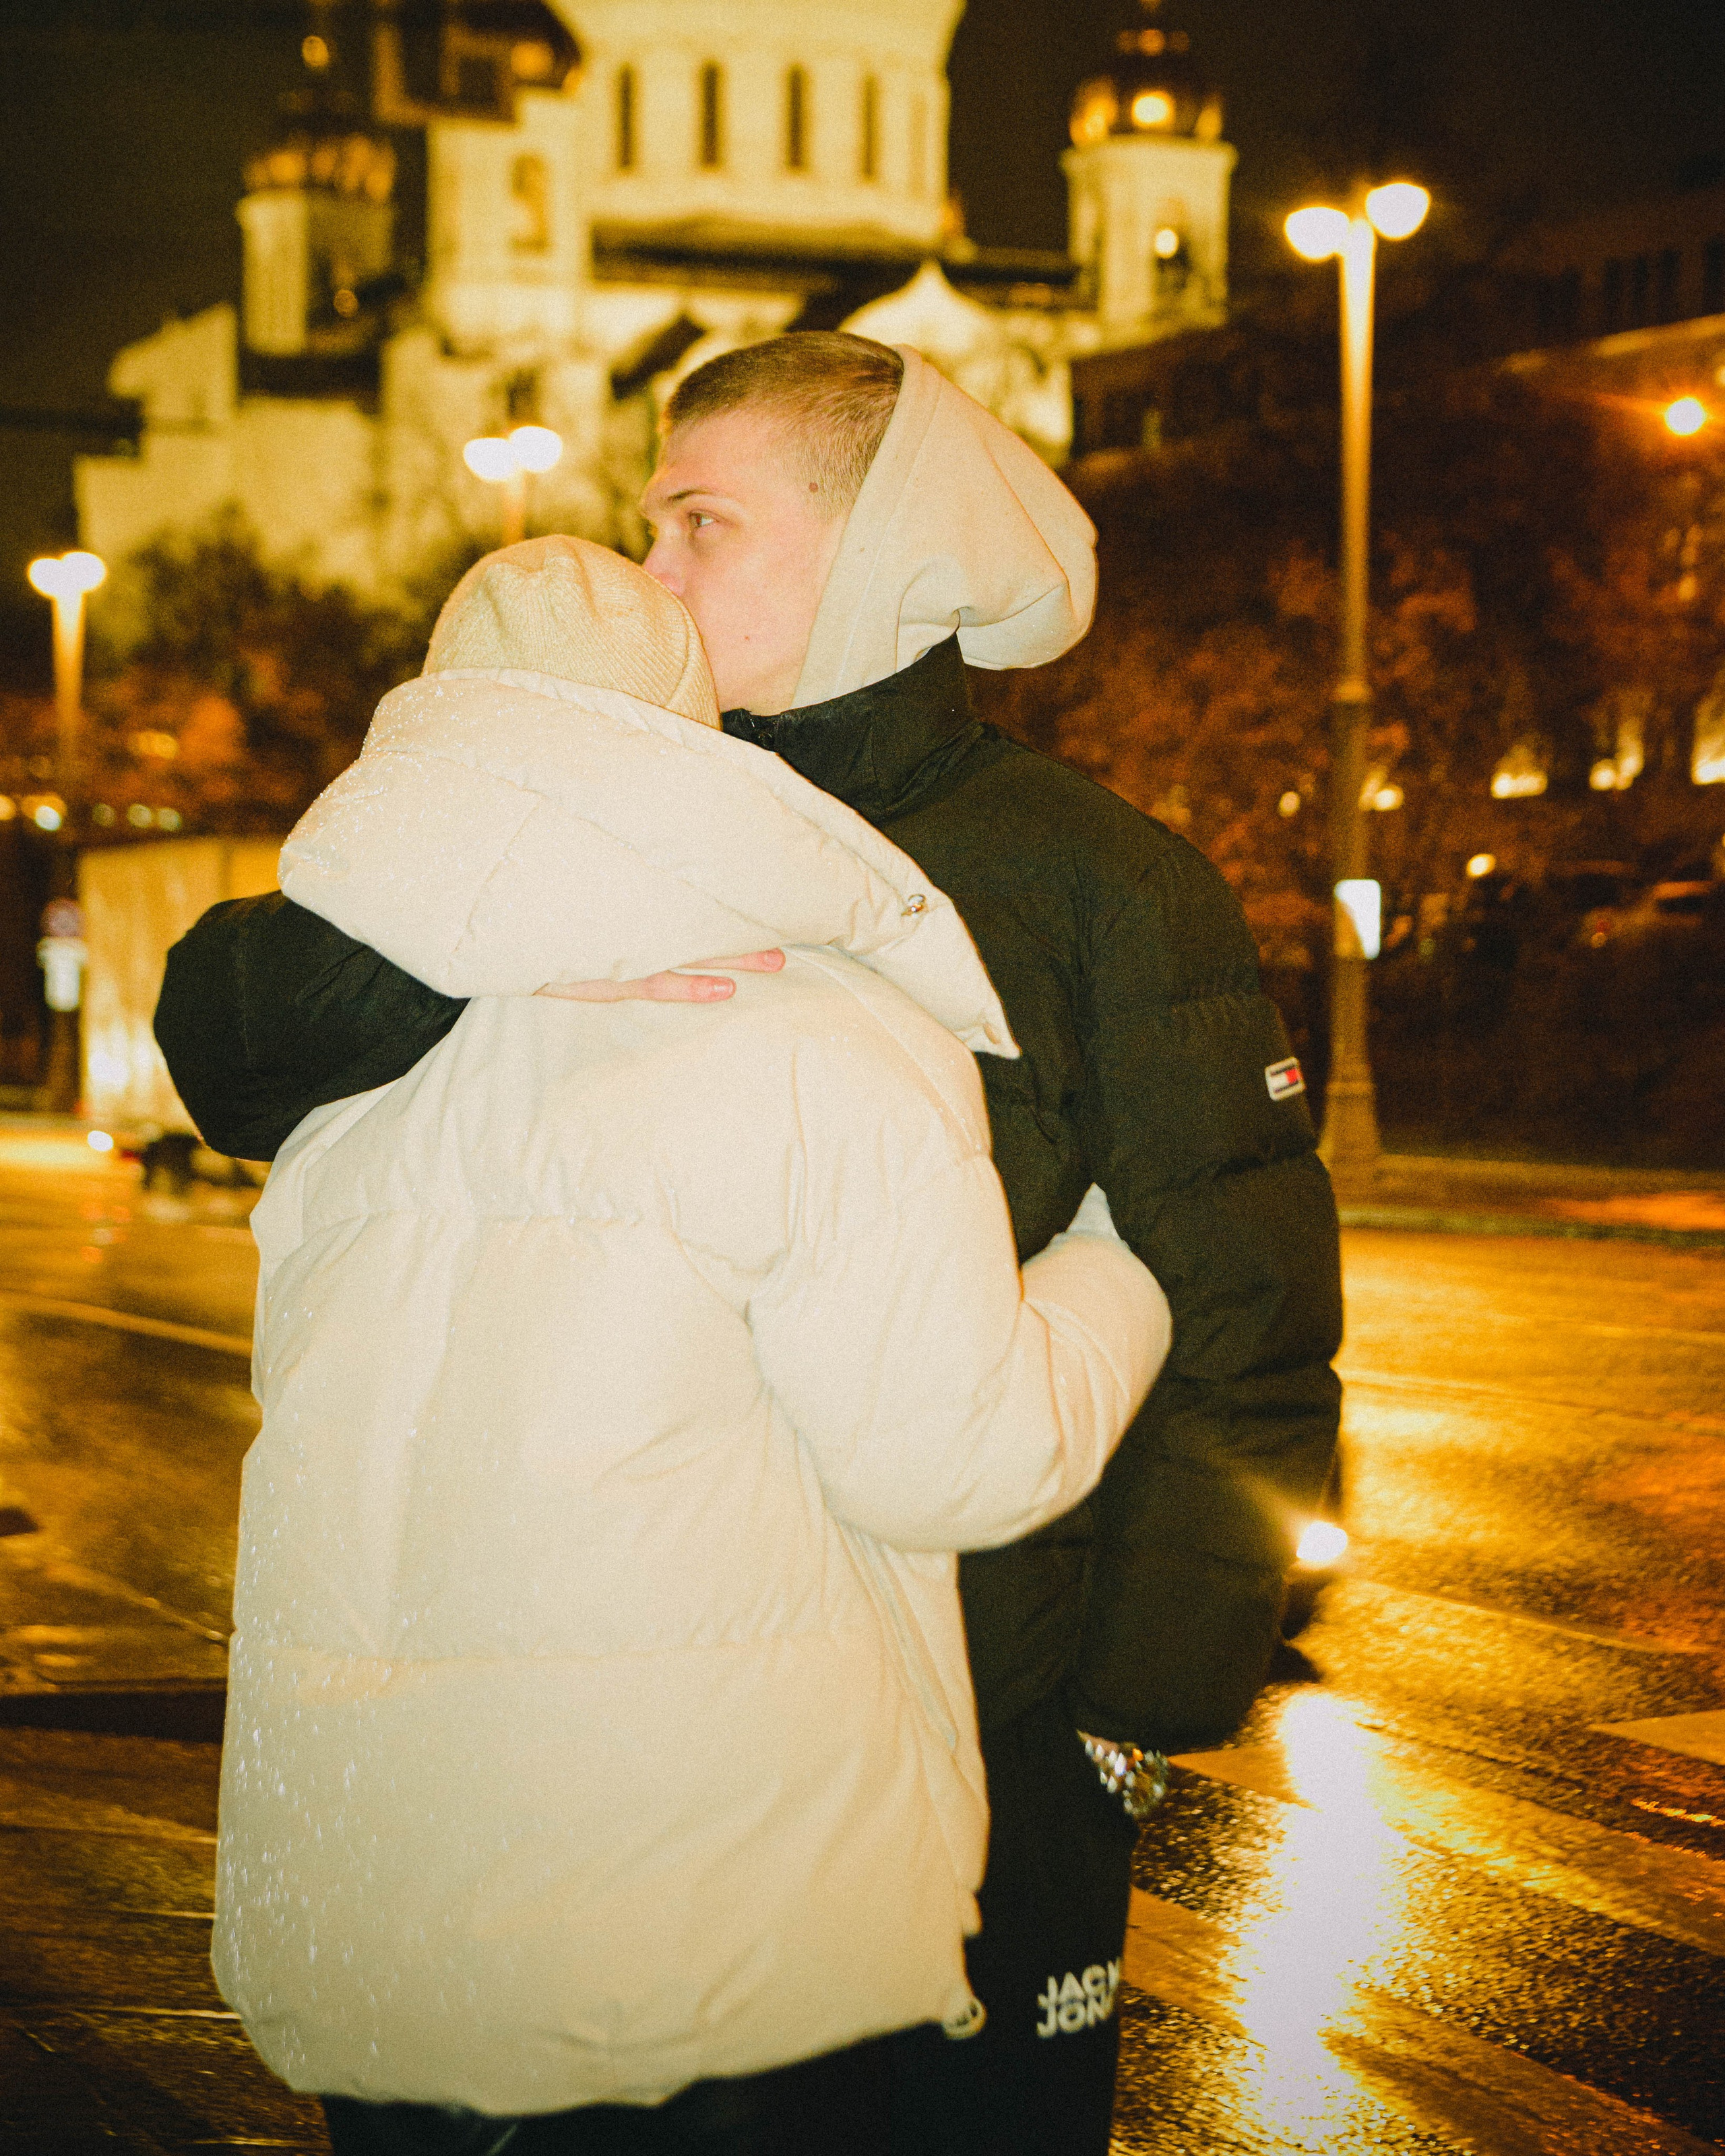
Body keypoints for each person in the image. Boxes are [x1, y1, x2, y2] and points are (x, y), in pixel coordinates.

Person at [158, 333, 1344, 2153]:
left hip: (1001, 1704)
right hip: (660, 1772)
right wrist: (479, 898)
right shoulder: (562, 826)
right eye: (649, 526)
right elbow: (239, 1044)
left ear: (886, 553)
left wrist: (1130, 1708)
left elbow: (1247, 1295)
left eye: (702, 525)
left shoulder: (1097, 881)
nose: (654, 574)